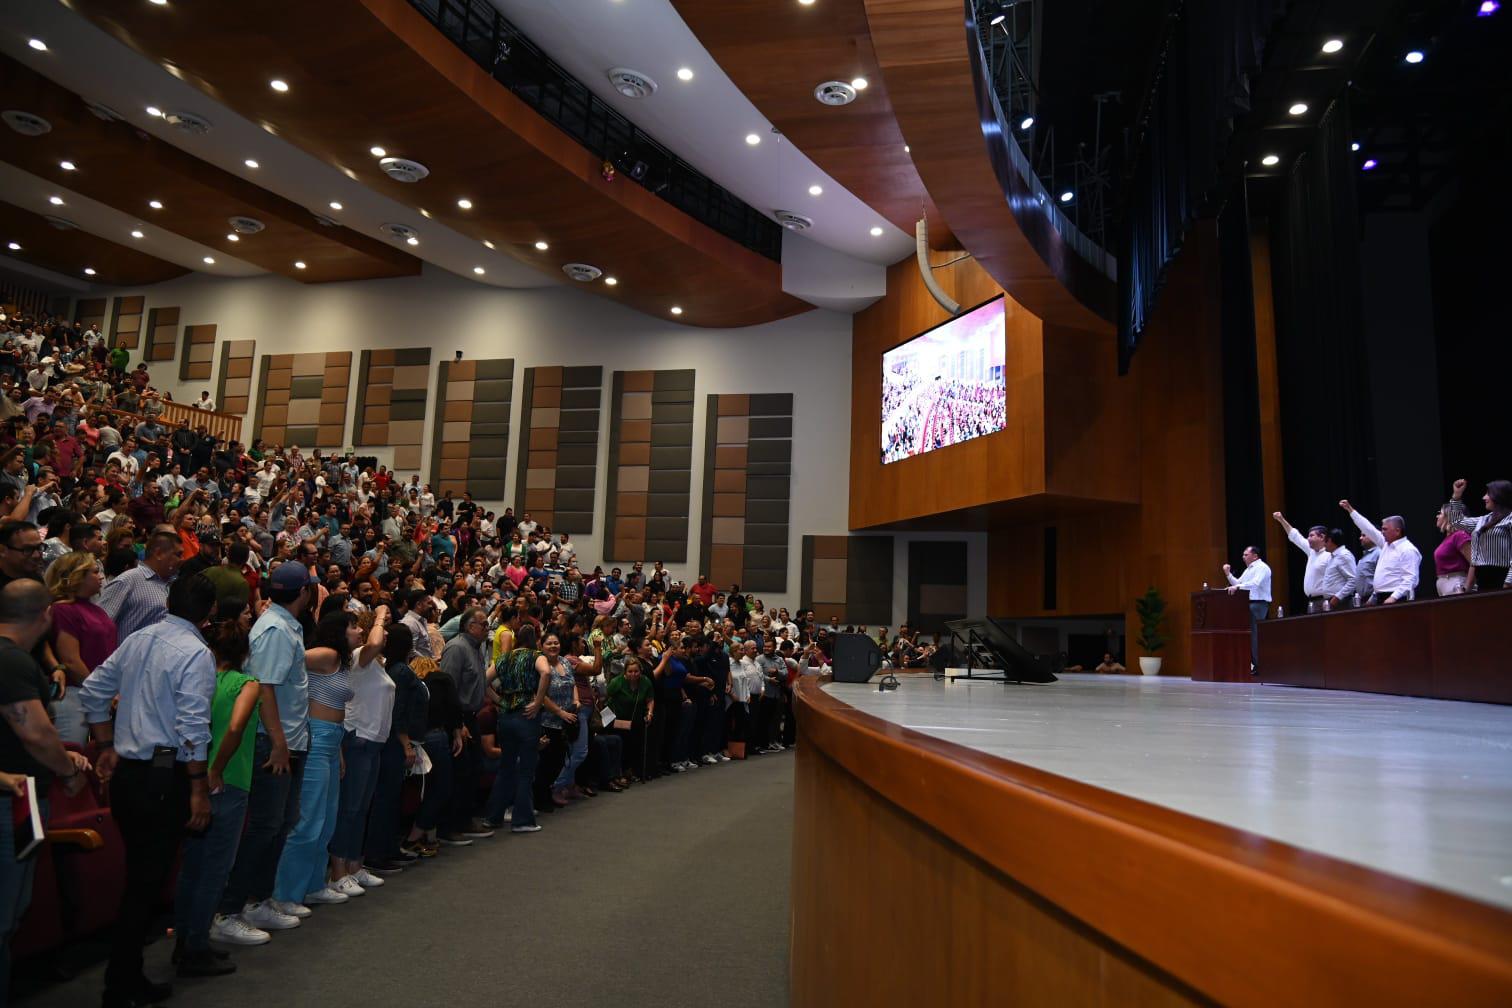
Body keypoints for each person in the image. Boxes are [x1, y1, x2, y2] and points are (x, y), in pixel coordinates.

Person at [79, 573, 217, 1008]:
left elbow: (94, 689)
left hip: (130, 774)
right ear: (209, 612)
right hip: (164, 775)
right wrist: (197, 787)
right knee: (145, 883)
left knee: (142, 880)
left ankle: (127, 975)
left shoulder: (139, 638)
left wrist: (104, 744)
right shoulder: (195, 652)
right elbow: (193, 726)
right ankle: (121, 982)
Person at [213, 561, 316, 943]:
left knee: (281, 823)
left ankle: (257, 900)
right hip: (274, 741)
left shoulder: (285, 624)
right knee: (265, 826)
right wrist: (277, 741)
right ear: (303, 592)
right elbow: (265, 687)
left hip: (288, 738)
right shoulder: (274, 629)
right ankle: (230, 909)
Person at [0, 580, 92, 995]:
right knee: (5, 913)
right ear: (46, 615)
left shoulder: (17, 658)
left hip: (27, 798)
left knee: (14, 910)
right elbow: (36, 733)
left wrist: (61, 757)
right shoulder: (11, 661)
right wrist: (67, 770)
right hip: (13, 801)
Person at [173, 602, 260, 976]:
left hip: (191, 773)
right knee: (214, 869)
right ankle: (195, 946)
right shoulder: (246, 683)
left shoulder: (199, 680)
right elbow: (237, 727)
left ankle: (186, 940)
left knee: (192, 865)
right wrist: (218, 768)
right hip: (228, 778)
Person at [272, 609, 363, 908]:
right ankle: (285, 894)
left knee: (326, 819)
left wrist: (338, 751)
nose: (359, 631)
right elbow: (285, 663)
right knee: (308, 820)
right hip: (315, 737)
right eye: (353, 626)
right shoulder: (325, 654)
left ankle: (312, 885)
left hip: (331, 739)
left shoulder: (341, 660)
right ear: (339, 630)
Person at [329, 607, 392, 893]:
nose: (386, 632)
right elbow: (376, 641)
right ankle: (338, 869)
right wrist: (379, 615)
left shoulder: (376, 663)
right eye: (382, 627)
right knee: (350, 808)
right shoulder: (357, 658)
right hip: (358, 738)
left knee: (361, 807)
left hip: (374, 740)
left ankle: (354, 863)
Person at [44, 550, 117, 744]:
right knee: (73, 755)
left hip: (98, 693)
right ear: (78, 576)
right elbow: (70, 660)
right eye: (94, 572)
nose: (100, 576)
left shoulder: (95, 609)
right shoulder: (62, 610)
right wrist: (100, 691)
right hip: (75, 693)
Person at [484, 624, 543, 830]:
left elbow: (484, 680)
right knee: (526, 770)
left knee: (505, 768)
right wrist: (538, 701)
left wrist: (498, 700)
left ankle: (493, 816)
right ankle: (522, 820)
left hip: (505, 716)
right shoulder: (535, 656)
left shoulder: (503, 658)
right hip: (527, 714)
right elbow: (546, 674)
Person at [98, 528, 182, 644]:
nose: (182, 560)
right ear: (159, 554)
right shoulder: (127, 580)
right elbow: (99, 626)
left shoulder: (176, 584)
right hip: (129, 658)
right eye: (178, 554)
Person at [1340, 501, 1421, 605]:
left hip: (1398, 598)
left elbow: (1411, 578)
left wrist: (1394, 597)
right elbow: (1368, 529)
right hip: (1381, 596)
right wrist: (1351, 510)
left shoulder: (1408, 549)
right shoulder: (1386, 544)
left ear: (1397, 531)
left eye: (1385, 529)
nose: (1382, 532)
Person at [1443, 478, 1512, 591]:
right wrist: (1456, 496)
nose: (1484, 497)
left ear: (1499, 495)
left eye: (1488, 494)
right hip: (1483, 580)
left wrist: (1508, 582)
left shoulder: (1510, 519)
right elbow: (1457, 522)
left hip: (1503, 578)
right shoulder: (1484, 519)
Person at [1222, 545, 1272, 671]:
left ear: (1255, 556)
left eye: (1246, 554)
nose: (1243, 557)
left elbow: (1255, 584)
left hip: (1258, 604)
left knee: (1255, 635)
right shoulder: (1249, 569)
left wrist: (1237, 587)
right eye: (1243, 555)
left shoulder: (1262, 567)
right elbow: (1239, 583)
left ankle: (1260, 666)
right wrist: (1228, 574)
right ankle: (1254, 665)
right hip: (1248, 604)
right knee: (1249, 636)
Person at [1433, 507, 1474, 597]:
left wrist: (1466, 588)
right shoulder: (1449, 538)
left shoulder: (1459, 535)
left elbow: (1474, 562)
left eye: (1440, 513)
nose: (1437, 516)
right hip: (1444, 585)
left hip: (1456, 584)